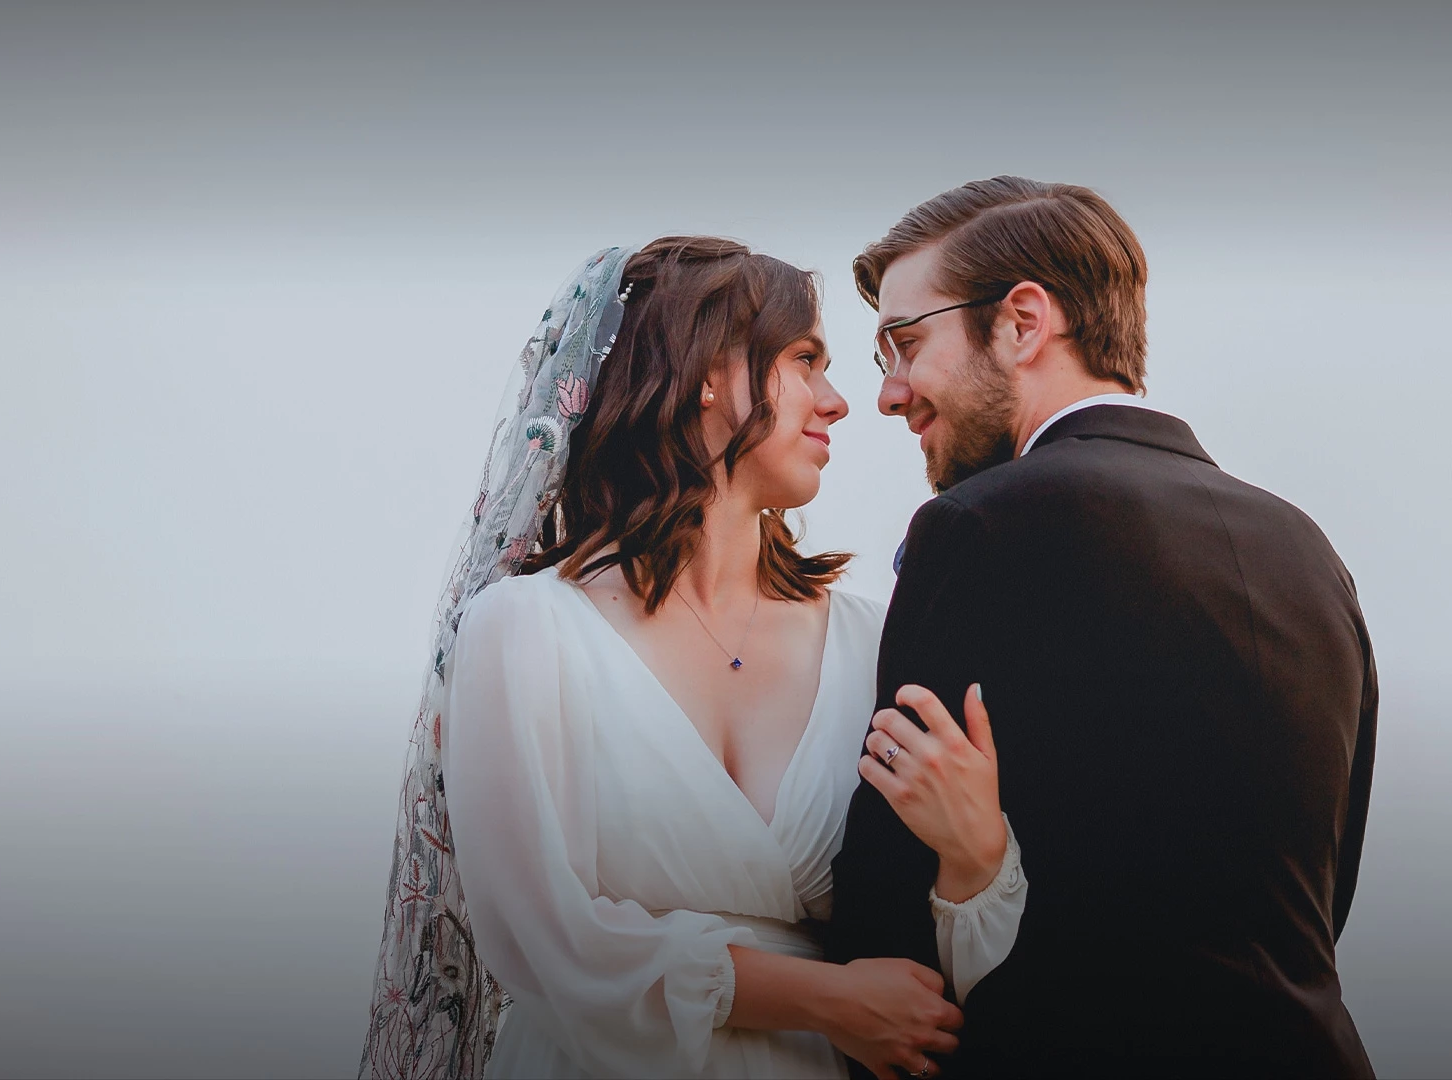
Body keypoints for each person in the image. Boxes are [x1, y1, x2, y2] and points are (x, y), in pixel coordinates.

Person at [360, 237, 1025, 1080]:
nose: (839, 402)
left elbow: (950, 966)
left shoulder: (876, 641)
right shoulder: (525, 631)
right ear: (709, 373)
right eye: (805, 360)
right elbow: (542, 940)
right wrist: (826, 1000)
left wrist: (975, 861)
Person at [825, 178, 1380, 1077]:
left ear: (1023, 322)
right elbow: (1323, 896)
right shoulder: (1308, 552)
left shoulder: (983, 524)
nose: (889, 394)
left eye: (904, 344)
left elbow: (891, 898)